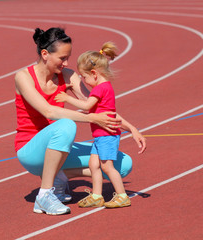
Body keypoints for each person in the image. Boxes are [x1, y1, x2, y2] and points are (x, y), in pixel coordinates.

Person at [14, 27, 146, 215]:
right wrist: (92, 118)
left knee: (123, 165)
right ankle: (44, 195)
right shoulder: (23, 77)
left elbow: (99, 108)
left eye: (68, 57)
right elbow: (48, 111)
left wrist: (131, 128)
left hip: (57, 148)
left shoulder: (67, 75)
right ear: (45, 54)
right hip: (31, 150)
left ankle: (57, 176)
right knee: (66, 125)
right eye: (62, 58)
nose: (67, 62)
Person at [55, 42, 146, 208]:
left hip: (106, 135)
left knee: (107, 166)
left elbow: (87, 106)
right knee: (93, 164)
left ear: (94, 74)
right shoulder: (106, 87)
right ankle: (97, 195)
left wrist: (67, 98)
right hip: (100, 135)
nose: (84, 80)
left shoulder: (99, 89)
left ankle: (122, 195)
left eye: (84, 77)